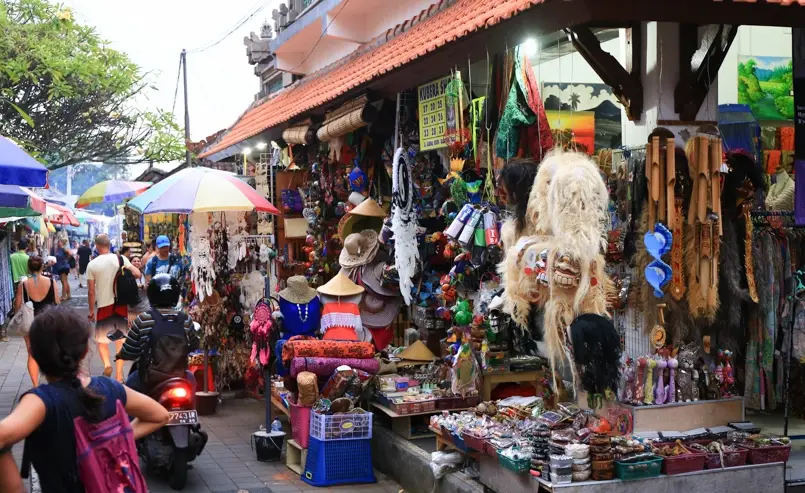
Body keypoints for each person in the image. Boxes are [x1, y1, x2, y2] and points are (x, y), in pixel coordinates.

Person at [0, 306, 169, 493]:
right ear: (86, 350)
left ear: (34, 353)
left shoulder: (42, 401)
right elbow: (160, 415)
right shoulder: (109, 387)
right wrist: (113, 439)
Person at [117, 274, 199, 395]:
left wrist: (121, 355)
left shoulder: (143, 319)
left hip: (151, 378)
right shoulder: (185, 319)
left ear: (151, 295)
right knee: (193, 385)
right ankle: (192, 413)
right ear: (176, 294)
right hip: (180, 375)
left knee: (127, 395)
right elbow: (194, 345)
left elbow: (130, 351)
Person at [87, 234, 142, 382]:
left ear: (97, 246)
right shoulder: (120, 259)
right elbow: (137, 273)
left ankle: (106, 364)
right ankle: (119, 375)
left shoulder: (92, 264)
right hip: (120, 305)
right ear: (109, 244)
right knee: (120, 340)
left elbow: (91, 291)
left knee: (102, 340)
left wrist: (91, 311)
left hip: (104, 306)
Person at [14, 256, 59, 387]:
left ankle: (35, 385)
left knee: (32, 353)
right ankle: (52, 381)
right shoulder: (52, 282)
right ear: (42, 267)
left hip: (30, 322)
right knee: (49, 351)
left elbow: (17, 306)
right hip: (48, 321)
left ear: (29, 268)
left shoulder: (24, 284)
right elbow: (57, 302)